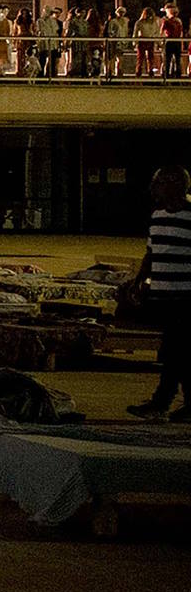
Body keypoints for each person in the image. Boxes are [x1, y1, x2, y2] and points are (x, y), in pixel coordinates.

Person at [128, 165, 191, 420]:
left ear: (176, 186)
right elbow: (151, 253)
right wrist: (139, 281)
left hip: (186, 297)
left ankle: (161, 403)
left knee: (174, 352)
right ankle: (175, 404)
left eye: (159, 183)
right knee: (178, 352)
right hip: (164, 295)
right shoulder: (157, 216)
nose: (154, 189)